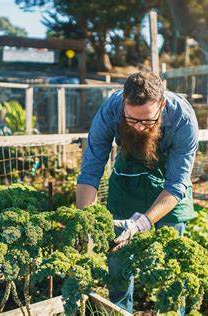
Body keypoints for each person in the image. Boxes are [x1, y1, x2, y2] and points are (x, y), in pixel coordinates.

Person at [76, 69, 199, 313]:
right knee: (119, 264)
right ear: (123, 103)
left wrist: (141, 224)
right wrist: (86, 219)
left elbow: (176, 184)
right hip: (127, 183)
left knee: (170, 269)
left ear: (162, 105)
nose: (141, 127)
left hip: (167, 190)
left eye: (148, 120)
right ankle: (120, 310)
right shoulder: (111, 110)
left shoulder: (182, 118)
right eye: (132, 120)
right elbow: (90, 171)